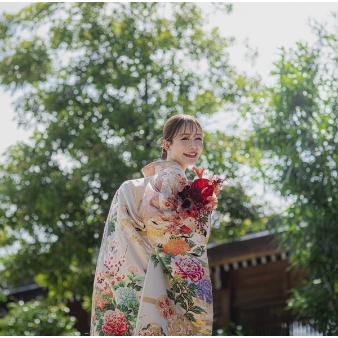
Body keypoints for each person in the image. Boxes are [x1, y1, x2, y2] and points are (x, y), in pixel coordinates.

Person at [90, 114, 216, 336]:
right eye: (185, 138)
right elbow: (167, 233)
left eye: (199, 139)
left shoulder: (133, 187)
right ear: (167, 144)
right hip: (155, 275)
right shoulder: (170, 181)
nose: (194, 146)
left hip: (132, 270)